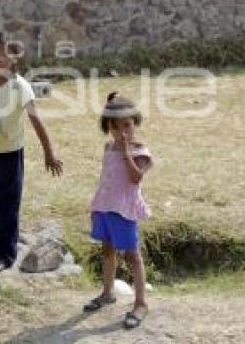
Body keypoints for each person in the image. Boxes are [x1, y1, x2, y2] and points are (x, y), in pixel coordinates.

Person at [0, 32, 63, 272]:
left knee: (7, 205)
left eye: (4, 54)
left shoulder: (20, 87)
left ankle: (5, 253)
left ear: (14, 58)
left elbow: (37, 121)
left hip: (8, 154)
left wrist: (49, 153)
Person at [83, 92, 154, 330]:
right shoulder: (108, 147)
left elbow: (135, 178)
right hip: (105, 206)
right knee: (107, 250)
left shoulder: (140, 151)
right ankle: (107, 292)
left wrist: (126, 152)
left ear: (135, 122)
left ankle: (141, 302)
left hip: (124, 210)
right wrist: (96, 206)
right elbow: (106, 179)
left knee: (132, 255)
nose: (122, 132)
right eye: (116, 128)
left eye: (127, 125)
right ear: (108, 129)